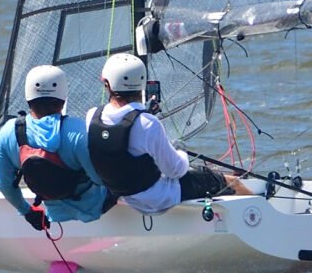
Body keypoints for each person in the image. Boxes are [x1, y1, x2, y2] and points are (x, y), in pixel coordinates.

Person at [85, 53, 251, 214]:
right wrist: (180, 149)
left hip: (124, 196)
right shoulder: (148, 124)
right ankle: (257, 213)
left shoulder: (91, 116)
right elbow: (176, 171)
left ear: (106, 84)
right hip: (159, 200)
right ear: (142, 83)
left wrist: (144, 113)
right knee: (230, 181)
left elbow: (120, 143)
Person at [0, 65, 114, 230]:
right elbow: (101, 178)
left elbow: (5, 185)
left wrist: (28, 212)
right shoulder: (79, 131)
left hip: (54, 216)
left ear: (28, 97)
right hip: (95, 210)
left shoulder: (8, 132)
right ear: (63, 97)